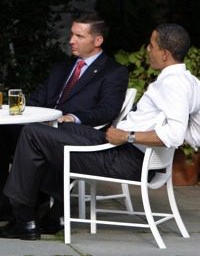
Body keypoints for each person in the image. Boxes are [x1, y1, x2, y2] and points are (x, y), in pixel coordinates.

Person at [1, 23, 199, 241]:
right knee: (57, 128)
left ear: (165, 54)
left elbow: (174, 135)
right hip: (122, 147)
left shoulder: (174, 85)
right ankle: (54, 212)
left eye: (151, 45)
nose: (147, 49)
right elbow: (195, 133)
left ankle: (24, 219)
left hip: (125, 157)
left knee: (32, 133)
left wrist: (128, 136)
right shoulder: (190, 81)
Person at [0, 12, 129, 221]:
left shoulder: (113, 72)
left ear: (98, 40)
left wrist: (74, 117)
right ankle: (4, 203)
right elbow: (37, 99)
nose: (71, 41)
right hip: (40, 127)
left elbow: (107, 110)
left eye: (79, 36)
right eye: (72, 34)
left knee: (36, 134)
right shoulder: (62, 67)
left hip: (71, 133)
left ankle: (23, 211)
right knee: (3, 131)